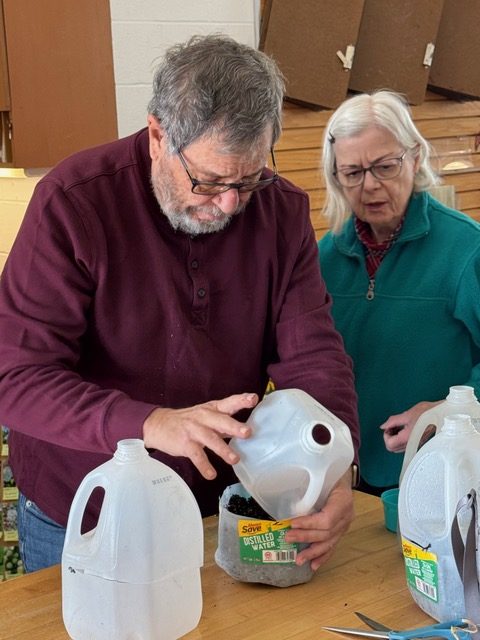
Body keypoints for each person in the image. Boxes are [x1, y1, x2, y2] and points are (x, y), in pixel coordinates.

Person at [0, 34, 360, 573]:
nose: (230, 204)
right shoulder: (73, 203)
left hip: (214, 507)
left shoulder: (281, 212)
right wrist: (149, 422)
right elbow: (16, 376)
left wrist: (336, 468)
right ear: (156, 136)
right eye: (209, 181)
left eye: (249, 179)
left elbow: (314, 357)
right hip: (83, 510)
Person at [318, 89, 480, 495]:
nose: (370, 186)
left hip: (441, 475)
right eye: (353, 173)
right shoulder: (323, 257)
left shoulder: (466, 249)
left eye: (385, 167)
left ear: (415, 158)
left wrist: (446, 412)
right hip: (344, 474)